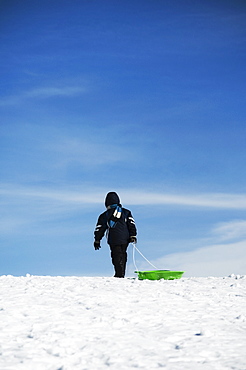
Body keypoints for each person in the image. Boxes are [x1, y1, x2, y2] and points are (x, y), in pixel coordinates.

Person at [94, 192, 137, 278]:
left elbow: (100, 228)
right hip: (125, 238)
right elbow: (131, 224)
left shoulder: (104, 215)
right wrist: (133, 235)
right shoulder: (126, 212)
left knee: (116, 255)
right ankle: (122, 273)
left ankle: (119, 273)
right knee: (123, 254)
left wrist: (97, 240)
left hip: (113, 238)